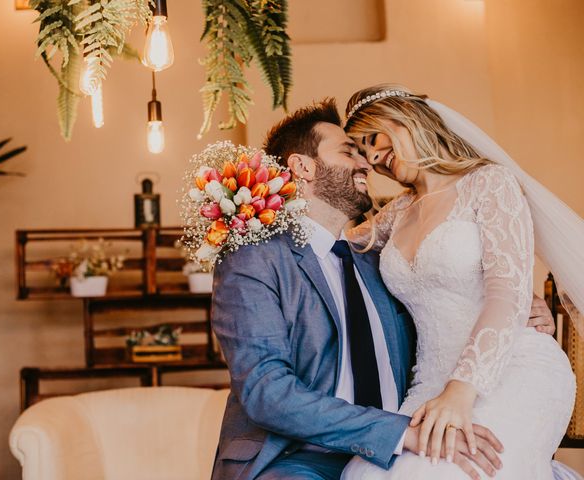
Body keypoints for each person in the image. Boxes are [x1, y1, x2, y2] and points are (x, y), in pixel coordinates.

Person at [210, 99, 556, 480]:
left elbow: (451, 287)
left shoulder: (378, 260)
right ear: (302, 167)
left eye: (368, 149)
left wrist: (519, 297)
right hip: (300, 457)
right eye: (351, 152)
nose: (367, 163)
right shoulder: (254, 258)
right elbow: (268, 393)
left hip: (407, 434)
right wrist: (399, 433)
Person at [340, 84, 578, 480]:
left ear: (407, 120)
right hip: (429, 384)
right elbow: (330, 242)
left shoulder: (489, 183)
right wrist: (253, 211)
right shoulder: (396, 213)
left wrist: (461, 391)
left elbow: (506, 292)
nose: (374, 158)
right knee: (367, 473)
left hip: (510, 369)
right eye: (363, 154)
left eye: (373, 139)